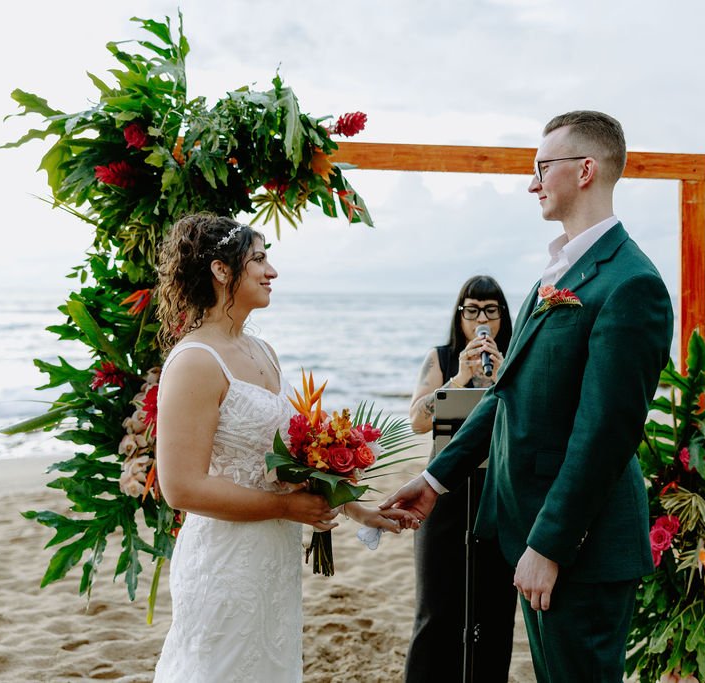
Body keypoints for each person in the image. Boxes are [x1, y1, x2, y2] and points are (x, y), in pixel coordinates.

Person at [382, 111, 674, 682]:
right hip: (530, 536)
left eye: (542, 166)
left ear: (585, 170)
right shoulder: (559, 272)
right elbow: (506, 397)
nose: (532, 182)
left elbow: (605, 434)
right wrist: (437, 478)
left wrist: (550, 546)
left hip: (575, 552)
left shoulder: (630, 284)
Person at [151, 213, 415, 682]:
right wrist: (286, 507)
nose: (271, 271)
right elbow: (182, 487)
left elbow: (297, 458)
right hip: (225, 557)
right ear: (220, 271)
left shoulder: (262, 350)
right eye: (258, 259)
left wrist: (358, 509)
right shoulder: (195, 361)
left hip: (273, 555)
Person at [405, 275, 517, 683]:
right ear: (460, 315)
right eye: (472, 310)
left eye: (490, 310)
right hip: (445, 491)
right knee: (437, 606)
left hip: (499, 490)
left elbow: (535, 417)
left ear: (503, 316)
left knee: (496, 608)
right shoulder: (441, 358)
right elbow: (416, 420)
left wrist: (504, 376)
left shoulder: (517, 357)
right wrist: (460, 379)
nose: (481, 319)